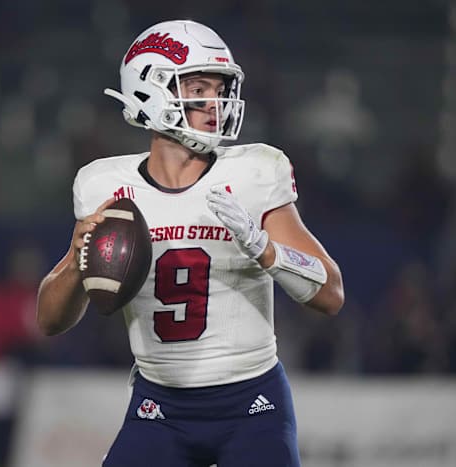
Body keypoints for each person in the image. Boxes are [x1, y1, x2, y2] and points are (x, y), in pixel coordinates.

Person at [36, 19, 344, 467]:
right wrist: (76, 261)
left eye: (220, 89)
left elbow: (331, 294)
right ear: (150, 91)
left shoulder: (254, 173)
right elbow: (48, 321)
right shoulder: (104, 185)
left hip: (252, 403)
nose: (215, 104)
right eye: (198, 89)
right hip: (159, 407)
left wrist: (266, 250)